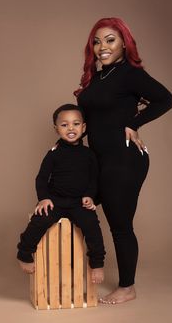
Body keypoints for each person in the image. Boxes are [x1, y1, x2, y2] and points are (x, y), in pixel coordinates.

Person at [75, 17, 172, 303]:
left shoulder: (130, 74)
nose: (101, 47)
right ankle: (74, 276)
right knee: (74, 207)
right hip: (98, 160)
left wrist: (135, 123)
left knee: (119, 225)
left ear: (124, 44)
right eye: (97, 41)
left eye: (110, 40)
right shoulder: (96, 77)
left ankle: (127, 287)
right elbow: (93, 118)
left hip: (124, 159)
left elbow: (165, 99)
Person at [17, 104, 106, 284]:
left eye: (76, 124)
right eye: (64, 125)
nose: (71, 128)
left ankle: (97, 263)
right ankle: (24, 253)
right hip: (55, 201)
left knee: (92, 226)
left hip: (79, 202)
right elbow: (41, 178)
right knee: (38, 220)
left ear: (84, 127)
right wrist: (43, 198)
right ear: (56, 129)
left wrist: (90, 196)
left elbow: (94, 179)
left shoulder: (89, 154)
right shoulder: (53, 154)